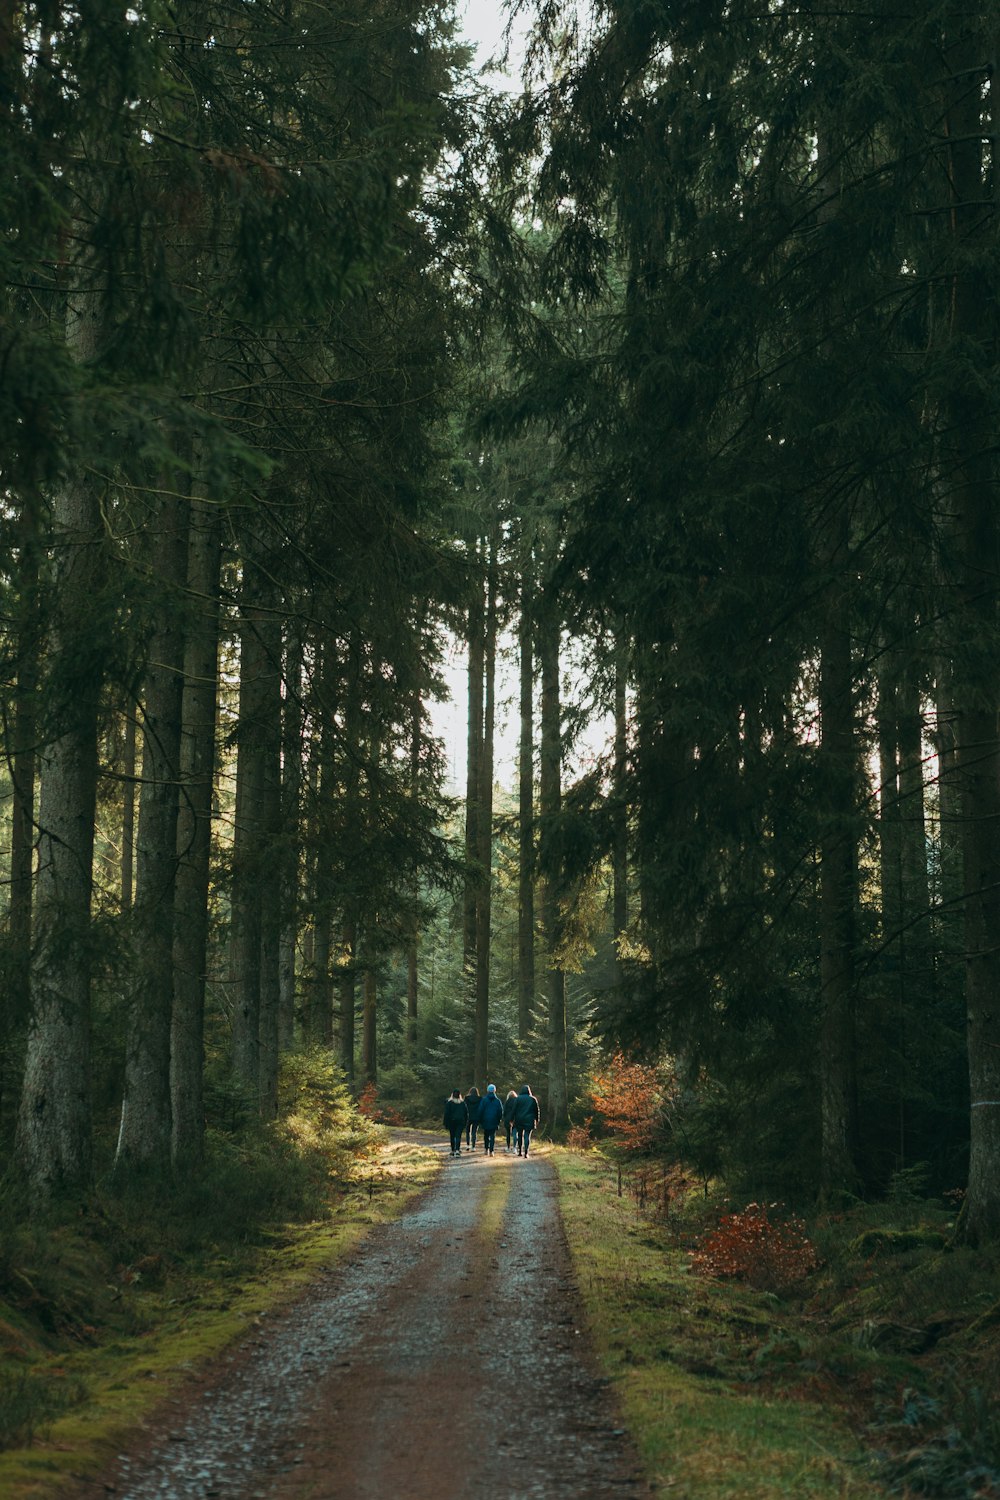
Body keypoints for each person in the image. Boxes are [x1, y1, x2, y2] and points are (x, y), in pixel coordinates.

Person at [513, 1084, 540, 1157]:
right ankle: (526, 1152)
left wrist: (512, 1119)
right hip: (529, 1119)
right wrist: (537, 1119)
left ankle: (519, 1152)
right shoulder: (533, 1099)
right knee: (527, 1136)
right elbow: (536, 1110)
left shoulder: (518, 1099)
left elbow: (514, 1110)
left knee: (519, 1135)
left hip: (519, 1119)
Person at [477, 1084, 505, 1156]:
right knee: (492, 1136)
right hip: (494, 1120)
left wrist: (480, 1120)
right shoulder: (497, 1101)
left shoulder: (484, 1100)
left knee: (486, 1135)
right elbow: (500, 1111)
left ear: (488, 1090)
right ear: (494, 1091)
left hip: (485, 1120)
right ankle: (492, 1151)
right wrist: (499, 1120)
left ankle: (486, 1149)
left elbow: (480, 1110)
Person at [443, 1090, 467, 1158]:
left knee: (452, 1136)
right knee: (458, 1136)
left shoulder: (449, 1103)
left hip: (452, 1122)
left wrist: (445, 1123)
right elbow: (466, 1113)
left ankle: (453, 1150)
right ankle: (457, 1150)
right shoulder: (462, 1103)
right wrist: (465, 1122)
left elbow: (446, 1114)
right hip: (460, 1122)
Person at [464, 1085, 481, 1151]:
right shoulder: (480, 1099)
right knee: (474, 1132)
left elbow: (464, 1108)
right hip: (476, 1117)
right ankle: (473, 1147)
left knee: (467, 1131)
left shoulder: (466, 1098)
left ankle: (468, 1145)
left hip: (468, 1116)